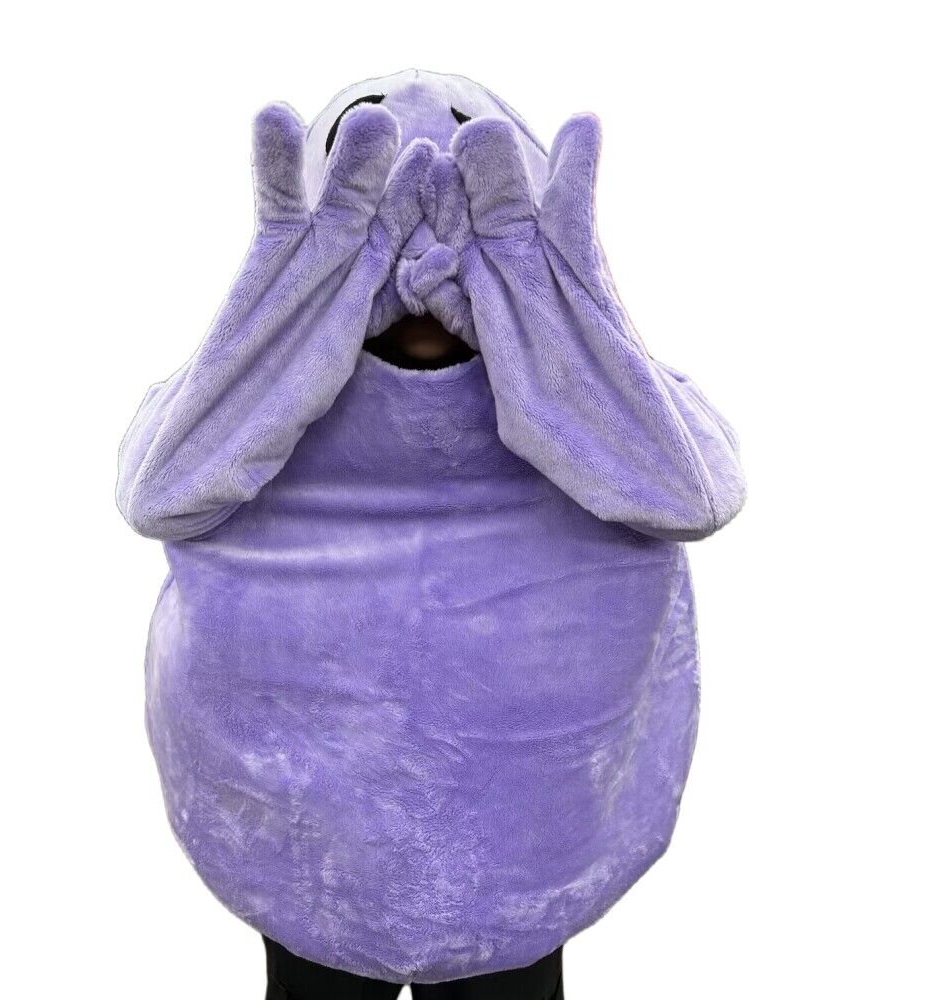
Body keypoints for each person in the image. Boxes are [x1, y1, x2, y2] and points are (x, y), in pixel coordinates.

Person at [117, 69, 745, 998]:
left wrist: (553, 312)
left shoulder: (598, 396)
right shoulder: (254, 399)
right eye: (382, 234)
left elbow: (694, 494)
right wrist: (296, 310)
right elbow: (155, 493)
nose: (419, 277)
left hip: (518, 855)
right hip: (309, 850)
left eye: (458, 222)